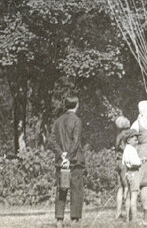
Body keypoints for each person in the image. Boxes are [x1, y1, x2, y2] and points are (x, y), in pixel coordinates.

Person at [50, 95, 85, 224]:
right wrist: (69, 157)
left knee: (61, 189)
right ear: (76, 105)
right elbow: (76, 142)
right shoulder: (77, 120)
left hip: (61, 161)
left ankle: (59, 219)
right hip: (74, 161)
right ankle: (75, 219)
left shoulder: (58, 121)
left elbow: (52, 140)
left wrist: (62, 155)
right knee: (76, 190)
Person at [121, 131, 144, 223]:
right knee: (134, 195)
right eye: (135, 139)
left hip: (128, 173)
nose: (137, 141)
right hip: (133, 173)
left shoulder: (126, 149)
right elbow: (134, 163)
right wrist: (141, 161)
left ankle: (127, 217)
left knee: (129, 196)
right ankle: (134, 217)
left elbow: (127, 162)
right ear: (128, 140)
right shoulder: (131, 150)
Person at [114, 116, 133, 220]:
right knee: (128, 187)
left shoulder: (118, 135)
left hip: (117, 161)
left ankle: (118, 212)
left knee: (120, 187)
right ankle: (128, 213)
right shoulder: (127, 134)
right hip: (124, 162)